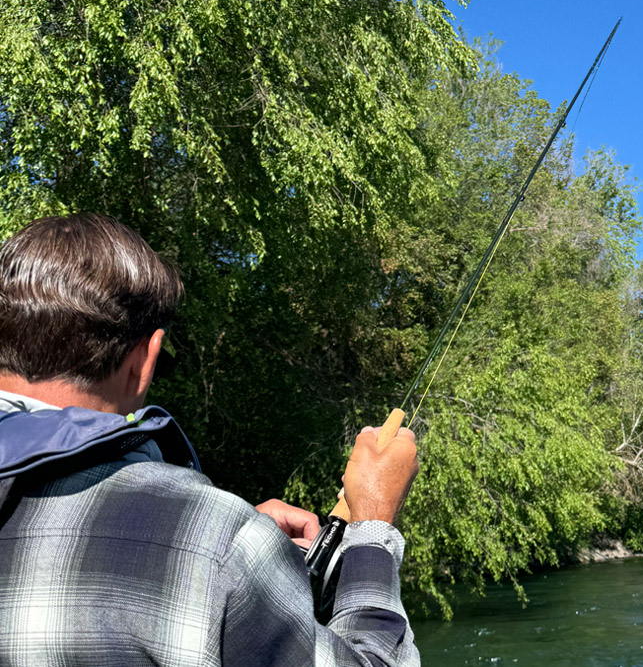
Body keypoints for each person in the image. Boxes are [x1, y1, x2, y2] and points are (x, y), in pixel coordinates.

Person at [0, 213, 421, 666]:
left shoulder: (217, 541)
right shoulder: (218, 542)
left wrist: (234, 554)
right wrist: (373, 527)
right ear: (146, 358)